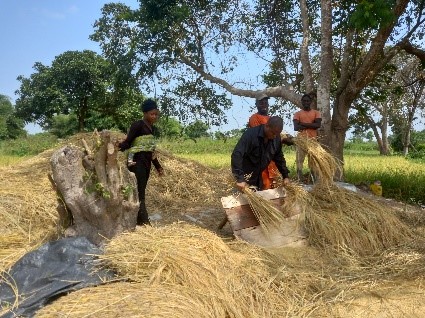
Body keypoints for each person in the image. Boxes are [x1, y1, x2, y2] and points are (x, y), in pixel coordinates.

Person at [119, 98, 164, 226]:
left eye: (156, 114)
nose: (154, 116)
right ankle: (144, 222)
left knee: (141, 190)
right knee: (139, 193)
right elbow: (128, 142)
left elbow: (151, 151)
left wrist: (158, 167)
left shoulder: (152, 128)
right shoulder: (138, 125)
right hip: (136, 164)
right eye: (152, 114)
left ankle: (139, 220)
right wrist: (117, 147)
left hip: (146, 165)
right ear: (145, 113)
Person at [232, 116, 290, 191]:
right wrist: (240, 179)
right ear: (267, 126)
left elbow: (279, 158)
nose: (274, 136)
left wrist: (285, 176)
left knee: (257, 198)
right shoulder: (250, 134)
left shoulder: (276, 138)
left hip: (258, 177)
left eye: (277, 134)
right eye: (273, 133)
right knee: (240, 200)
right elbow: (237, 154)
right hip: (244, 176)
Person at [248, 93, 294, 189]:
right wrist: (283, 139)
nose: (264, 105)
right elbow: (261, 136)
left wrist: (286, 138)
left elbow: (276, 135)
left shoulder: (271, 119)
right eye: (261, 103)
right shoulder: (254, 118)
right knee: (263, 186)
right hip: (261, 159)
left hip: (272, 160)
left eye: (266, 103)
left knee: (274, 187)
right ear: (256, 104)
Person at [293, 93, 322, 181]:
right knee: (299, 161)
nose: (306, 102)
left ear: (310, 102)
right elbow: (296, 127)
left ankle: (314, 180)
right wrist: (311, 125)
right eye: (304, 101)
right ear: (302, 102)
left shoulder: (316, 113)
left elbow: (317, 125)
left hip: (313, 140)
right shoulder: (297, 114)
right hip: (301, 140)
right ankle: (299, 179)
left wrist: (302, 124)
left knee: (313, 161)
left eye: (308, 101)